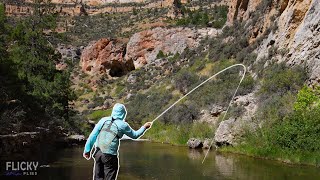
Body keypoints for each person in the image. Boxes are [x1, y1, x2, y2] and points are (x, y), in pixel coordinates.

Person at [83, 103, 152, 180]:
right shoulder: (123, 125)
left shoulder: (103, 120)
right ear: (123, 114)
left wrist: (87, 150)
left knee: (98, 178)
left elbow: (93, 135)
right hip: (110, 156)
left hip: (98, 153)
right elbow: (135, 135)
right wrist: (144, 127)